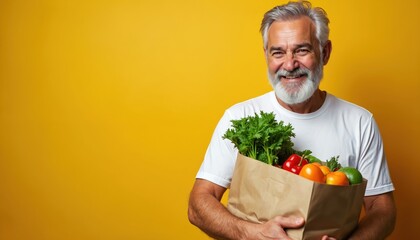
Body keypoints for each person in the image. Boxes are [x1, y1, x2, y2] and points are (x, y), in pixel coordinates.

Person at [188, 1, 396, 239]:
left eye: (302, 50)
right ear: (266, 55)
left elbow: (383, 210)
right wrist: (253, 233)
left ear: (325, 52)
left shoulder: (360, 122)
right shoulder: (240, 118)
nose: (289, 64)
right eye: (278, 52)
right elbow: (198, 204)